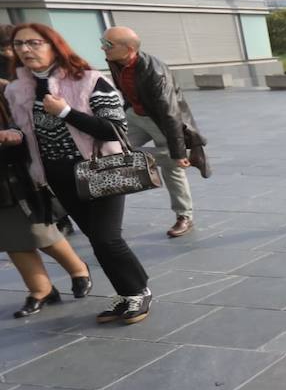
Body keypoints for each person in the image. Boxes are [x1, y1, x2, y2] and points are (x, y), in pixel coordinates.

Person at [4, 23, 152, 325]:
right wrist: (14, 135)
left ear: (54, 45)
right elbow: (31, 135)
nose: (25, 50)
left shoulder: (89, 80)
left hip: (101, 169)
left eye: (34, 43)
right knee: (97, 240)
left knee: (107, 238)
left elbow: (115, 128)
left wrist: (66, 112)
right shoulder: (18, 90)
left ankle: (139, 292)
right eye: (19, 45)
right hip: (58, 177)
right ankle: (128, 294)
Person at [1, 25, 93, 318]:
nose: (23, 49)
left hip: (11, 170)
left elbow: (24, 123)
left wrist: (11, 134)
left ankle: (78, 269)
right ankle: (40, 288)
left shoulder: (9, 86)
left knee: (38, 229)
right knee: (7, 235)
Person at [99, 26, 208, 238]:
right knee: (110, 150)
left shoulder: (155, 72)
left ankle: (184, 216)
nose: (103, 47)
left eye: (108, 44)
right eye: (103, 42)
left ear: (128, 48)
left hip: (161, 120)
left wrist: (177, 152)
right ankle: (171, 157)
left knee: (173, 168)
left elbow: (170, 113)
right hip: (135, 115)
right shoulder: (115, 60)